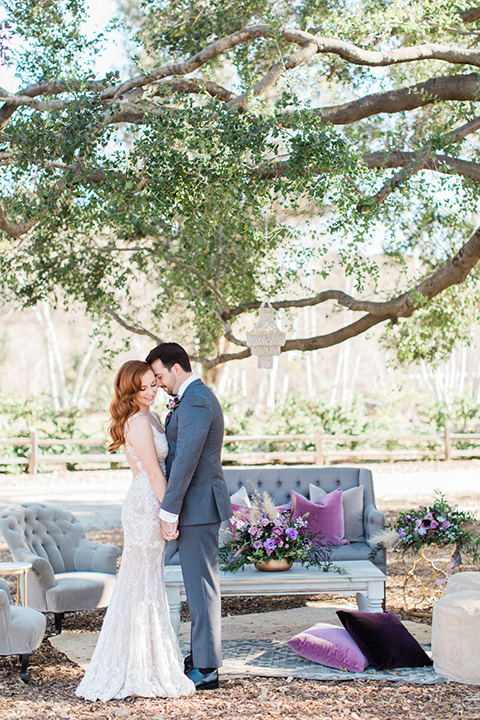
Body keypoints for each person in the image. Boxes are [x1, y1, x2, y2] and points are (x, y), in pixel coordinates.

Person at [76, 360, 195, 701]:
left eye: (153, 385)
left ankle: (146, 660)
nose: (151, 392)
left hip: (150, 501)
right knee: (139, 584)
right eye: (143, 388)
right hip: (147, 506)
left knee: (147, 583)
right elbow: (156, 475)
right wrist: (170, 514)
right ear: (130, 390)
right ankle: (133, 666)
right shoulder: (138, 421)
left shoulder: (152, 416)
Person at [145, 342, 232, 691]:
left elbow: (186, 461)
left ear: (176, 368)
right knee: (197, 588)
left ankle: (207, 668)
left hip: (196, 509)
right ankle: (199, 657)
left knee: (202, 590)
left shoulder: (196, 400)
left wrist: (169, 509)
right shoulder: (191, 399)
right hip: (194, 508)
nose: (159, 382)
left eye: (160, 375)